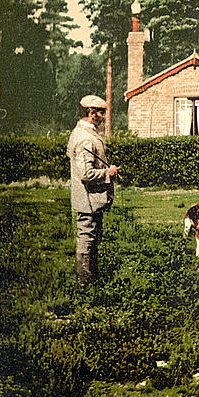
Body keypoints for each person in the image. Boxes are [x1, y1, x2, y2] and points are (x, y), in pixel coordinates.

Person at [66, 95, 119, 286]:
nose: (103, 117)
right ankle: (85, 282)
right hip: (88, 199)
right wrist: (108, 172)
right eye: (101, 113)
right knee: (87, 238)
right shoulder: (85, 138)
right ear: (91, 113)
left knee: (92, 237)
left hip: (91, 199)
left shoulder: (82, 133)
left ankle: (91, 279)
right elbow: (86, 173)